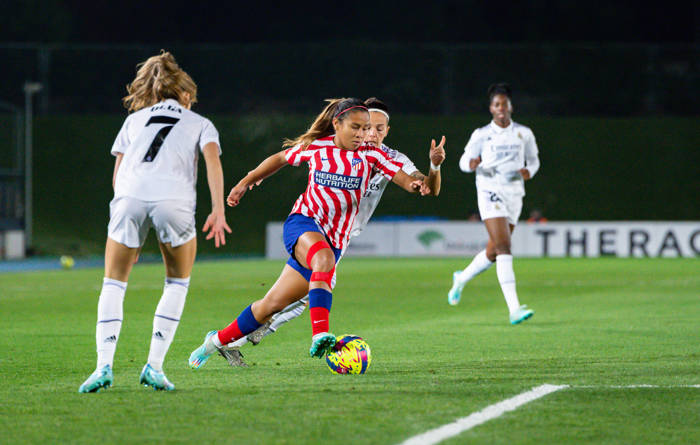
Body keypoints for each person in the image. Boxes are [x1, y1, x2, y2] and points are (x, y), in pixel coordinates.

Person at [189, 97, 433, 369]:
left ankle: (215, 341)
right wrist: (246, 181)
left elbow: (409, 182)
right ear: (336, 124)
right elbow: (281, 157)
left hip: (336, 240)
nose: (363, 135)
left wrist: (429, 174)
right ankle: (320, 335)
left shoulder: (373, 156)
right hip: (304, 223)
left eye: (367, 129)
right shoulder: (317, 147)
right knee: (323, 261)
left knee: (271, 305)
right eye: (357, 127)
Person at [78, 51, 231, 392]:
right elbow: (212, 162)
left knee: (113, 283)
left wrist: (123, 219)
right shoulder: (200, 122)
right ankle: (155, 367)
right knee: (176, 282)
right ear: (186, 95)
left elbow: (119, 173)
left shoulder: (134, 120)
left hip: (128, 197)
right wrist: (217, 210)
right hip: (173, 200)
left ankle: (103, 365)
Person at [448, 83, 540, 325]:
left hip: (514, 193)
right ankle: (514, 308)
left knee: (493, 250)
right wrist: (471, 163)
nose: (501, 108)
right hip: (489, 190)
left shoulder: (524, 133)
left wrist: (529, 170)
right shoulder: (481, 135)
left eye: (504, 104)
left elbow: (534, 160)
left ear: (511, 106)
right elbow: (463, 161)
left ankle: (461, 278)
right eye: (496, 104)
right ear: (491, 108)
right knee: (503, 247)